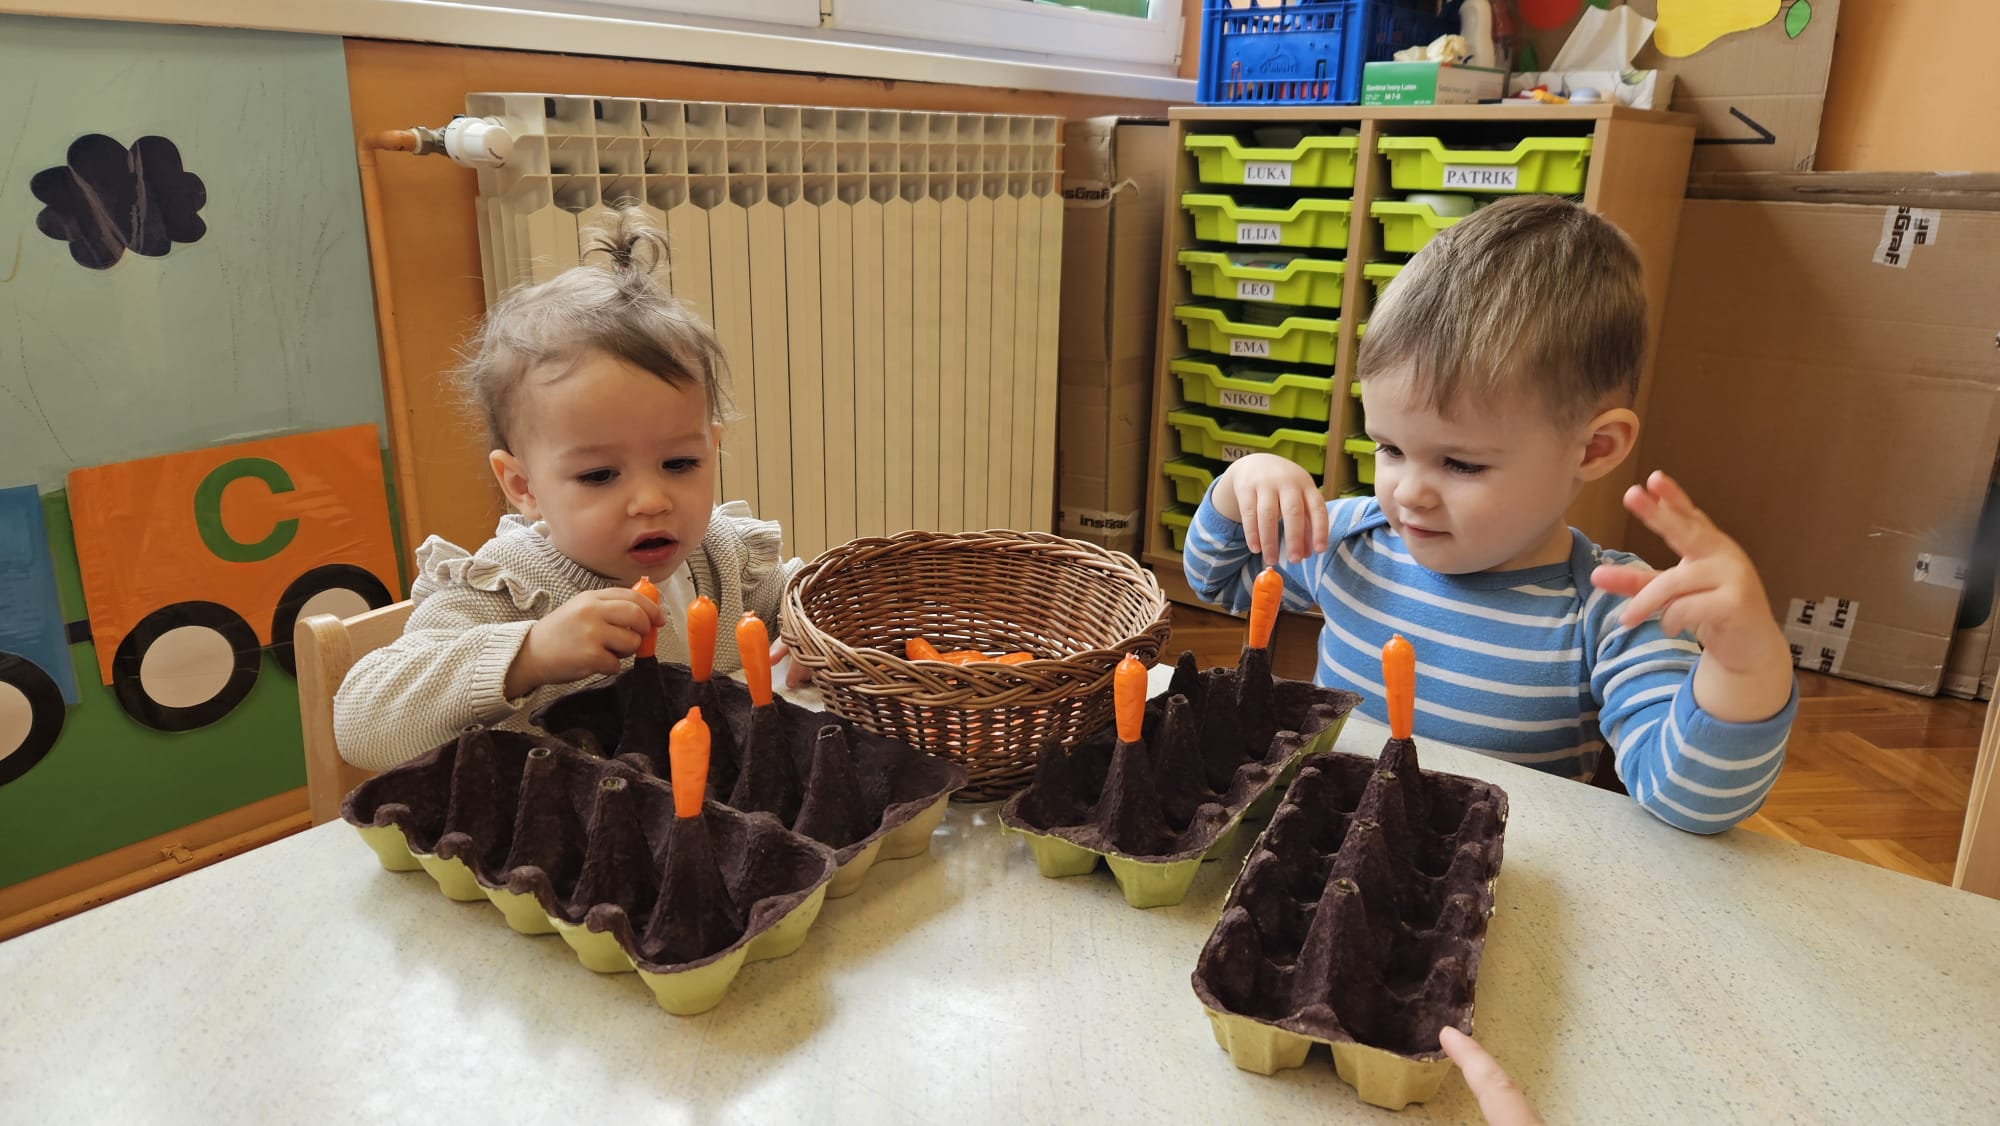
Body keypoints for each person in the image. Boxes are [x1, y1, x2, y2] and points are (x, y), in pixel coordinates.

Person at [1185, 196, 1796, 832]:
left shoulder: (1614, 609)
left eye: (1461, 464)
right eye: (1389, 448)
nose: (1410, 493)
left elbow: (1689, 804)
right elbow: (1219, 580)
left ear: (1594, 448)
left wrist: (1745, 665)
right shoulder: (1351, 540)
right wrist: (1238, 486)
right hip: (1330, 844)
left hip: (1493, 877)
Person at [334, 207, 804, 771]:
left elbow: (808, 600)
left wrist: (809, 634)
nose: (652, 501)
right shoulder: (507, 588)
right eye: (599, 475)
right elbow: (360, 723)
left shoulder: (724, 559)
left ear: (713, 447)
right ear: (523, 485)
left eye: (680, 463)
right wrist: (528, 654)